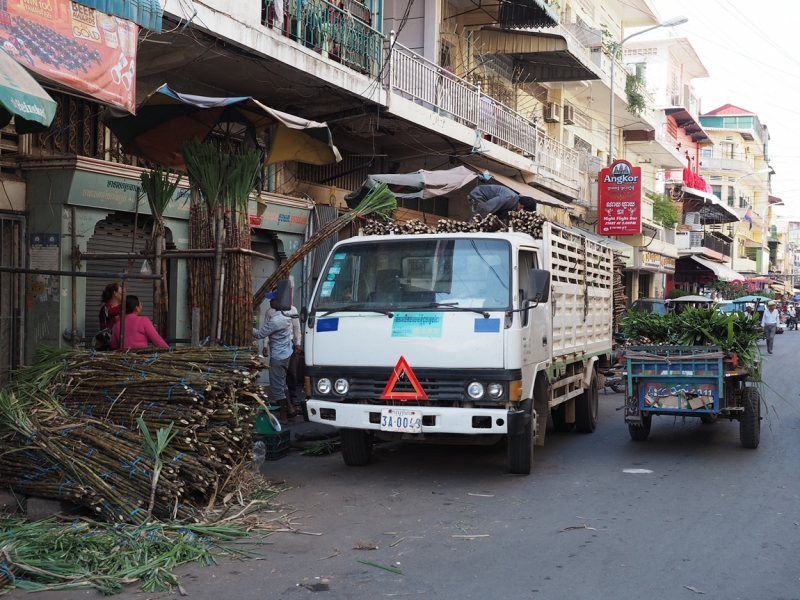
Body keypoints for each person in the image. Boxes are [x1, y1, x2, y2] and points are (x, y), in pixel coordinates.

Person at [254, 291, 298, 424]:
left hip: (278, 356)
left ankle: (283, 416)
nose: (270, 302)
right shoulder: (285, 316)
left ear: (279, 302)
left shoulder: (277, 319)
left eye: (272, 300)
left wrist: (248, 326)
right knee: (282, 383)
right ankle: (290, 408)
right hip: (286, 354)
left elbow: (260, 334)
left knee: (277, 387)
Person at [467, 184, 536, 219]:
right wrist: (472, 223)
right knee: (481, 216)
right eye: (524, 212)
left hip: (487, 202)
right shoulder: (507, 198)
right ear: (521, 206)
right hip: (478, 196)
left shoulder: (513, 203)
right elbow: (486, 208)